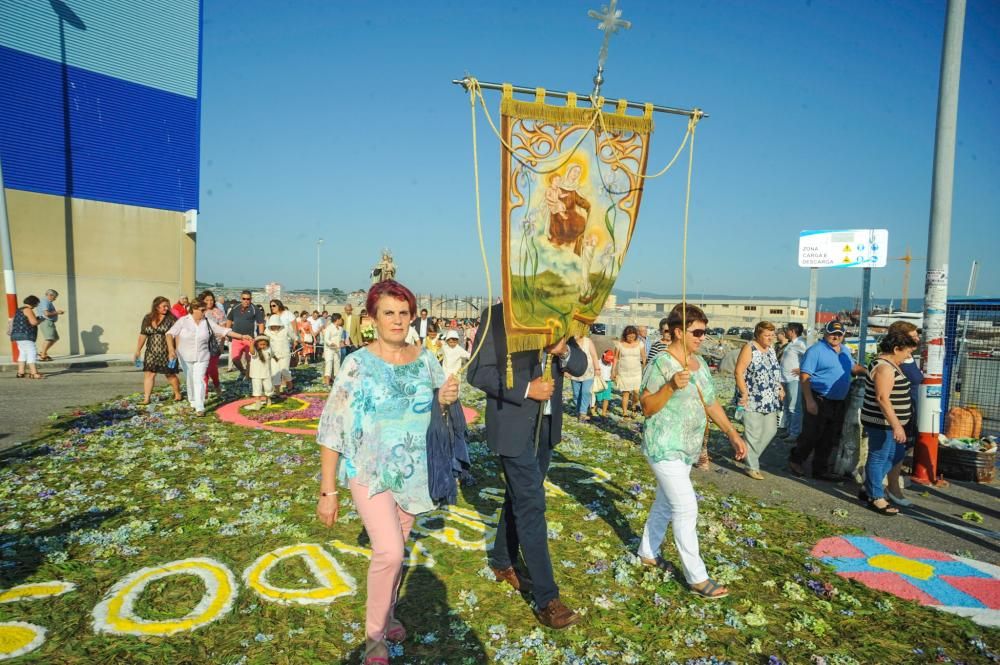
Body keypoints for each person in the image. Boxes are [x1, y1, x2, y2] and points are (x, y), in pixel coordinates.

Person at [316, 280, 459, 665]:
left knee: (397, 551)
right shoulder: (357, 364)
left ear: (412, 316)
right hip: (371, 472)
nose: (397, 320)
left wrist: (444, 400)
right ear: (372, 319)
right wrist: (328, 491)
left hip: (414, 475)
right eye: (388, 313)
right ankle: (374, 639)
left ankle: (389, 613)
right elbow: (333, 427)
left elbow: (436, 412)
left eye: (403, 313)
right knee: (391, 551)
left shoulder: (426, 358)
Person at [467, 302, 588, 629]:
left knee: (520, 497)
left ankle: (502, 560)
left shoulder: (561, 315)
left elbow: (580, 364)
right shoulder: (496, 316)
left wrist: (562, 350)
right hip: (513, 426)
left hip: (546, 428)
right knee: (532, 503)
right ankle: (548, 599)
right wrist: (526, 389)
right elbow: (477, 371)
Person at [637, 303, 747, 598]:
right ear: (677, 332)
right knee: (686, 507)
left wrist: (733, 434)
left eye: (704, 332)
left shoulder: (699, 365)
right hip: (663, 446)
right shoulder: (662, 363)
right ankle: (697, 577)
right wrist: (671, 386)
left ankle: (647, 551)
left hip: (687, 449)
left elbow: (711, 403)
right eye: (697, 331)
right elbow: (646, 407)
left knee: (665, 503)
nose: (702, 337)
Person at [788, 321, 866, 481]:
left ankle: (820, 469)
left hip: (838, 400)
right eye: (833, 333)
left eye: (839, 334)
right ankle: (796, 460)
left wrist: (870, 371)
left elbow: (853, 368)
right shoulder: (816, 350)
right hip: (818, 396)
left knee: (829, 436)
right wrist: (809, 401)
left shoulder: (844, 350)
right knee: (812, 433)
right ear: (825, 333)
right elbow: (804, 376)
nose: (836, 337)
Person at [859, 327, 920, 515]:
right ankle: (876, 497)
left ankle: (870, 485)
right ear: (896, 349)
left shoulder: (890, 364)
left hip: (889, 422)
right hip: (881, 422)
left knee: (896, 454)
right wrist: (896, 425)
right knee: (879, 456)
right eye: (907, 351)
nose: (908, 356)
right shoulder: (885, 368)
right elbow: (882, 398)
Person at [167, 299, 250, 416]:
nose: (203, 312)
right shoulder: (183, 321)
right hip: (185, 356)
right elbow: (170, 334)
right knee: (190, 378)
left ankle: (200, 407)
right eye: (201, 310)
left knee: (199, 379)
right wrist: (171, 349)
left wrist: (241, 336)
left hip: (203, 355)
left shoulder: (207, 322)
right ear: (193, 309)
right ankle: (192, 400)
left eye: (204, 310)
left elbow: (223, 330)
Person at [734, 321, 784, 480]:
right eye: (766, 335)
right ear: (758, 335)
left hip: (769, 399)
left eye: (772, 335)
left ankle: (746, 451)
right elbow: (738, 372)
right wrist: (744, 392)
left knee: (771, 431)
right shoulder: (750, 348)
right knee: (753, 434)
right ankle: (751, 466)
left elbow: (774, 372)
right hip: (752, 398)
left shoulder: (771, 350)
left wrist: (780, 387)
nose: (770, 338)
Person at [134, 297, 182, 403]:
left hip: (167, 352)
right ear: (156, 306)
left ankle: (178, 393)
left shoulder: (172, 319)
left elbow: (177, 335)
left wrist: (175, 350)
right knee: (149, 374)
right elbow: (143, 334)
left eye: (167, 306)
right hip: (151, 351)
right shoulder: (148, 318)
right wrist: (138, 350)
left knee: (170, 375)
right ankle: (146, 398)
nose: (167, 308)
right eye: (164, 306)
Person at [778, 323, 807, 443]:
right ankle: (789, 430)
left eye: (787, 330)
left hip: (794, 379)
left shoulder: (801, 343)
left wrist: (802, 370)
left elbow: (809, 356)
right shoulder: (792, 343)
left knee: (794, 407)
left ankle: (795, 433)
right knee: (787, 406)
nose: (785, 332)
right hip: (785, 379)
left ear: (793, 331)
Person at [227, 291, 264, 378]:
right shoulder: (235, 307)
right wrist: (227, 332)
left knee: (249, 360)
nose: (246, 301)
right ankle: (243, 371)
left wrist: (261, 336)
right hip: (236, 338)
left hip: (249, 339)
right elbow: (229, 319)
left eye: (248, 299)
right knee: (235, 359)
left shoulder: (255, 309)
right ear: (241, 299)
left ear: (251, 299)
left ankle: (248, 377)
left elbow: (261, 323)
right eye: (244, 299)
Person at [199, 290, 229, 398]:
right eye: (207, 300)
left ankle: (214, 386)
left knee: (210, 367)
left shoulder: (217, 312)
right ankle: (205, 391)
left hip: (215, 344)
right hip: (202, 344)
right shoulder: (199, 311)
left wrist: (221, 344)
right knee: (205, 369)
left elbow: (224, 328)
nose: (209, 302)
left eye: (211, 300)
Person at [613, 325, 646, 418]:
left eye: (633, 336)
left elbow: (644, 357)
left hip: (636, 372)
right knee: (625, 393)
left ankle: (634, 406)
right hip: (624, 372)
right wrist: (613, 370)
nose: (631, 338)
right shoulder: (619, 344)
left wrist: (645, 367)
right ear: (625, 335)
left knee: (637, 392)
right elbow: (615, 358)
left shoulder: (640, 344)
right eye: (629, 336)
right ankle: (624, 412)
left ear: (636, 335)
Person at [10, 295, 44, 379]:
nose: (37, 306)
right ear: (33, 303)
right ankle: (34, 373)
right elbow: (33, 322)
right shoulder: (27, 310)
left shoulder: (19, 310)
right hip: (25, 335)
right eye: (37, 304)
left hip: (16, 335)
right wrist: (41, 319)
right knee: (31, 352)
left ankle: (20, 373)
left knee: (23, 353)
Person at [570, 331, 600, 422]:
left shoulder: (588, 342)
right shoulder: (570, 342)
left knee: (586, 392)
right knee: (576, 394)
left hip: (588, 372)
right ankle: (578, 410)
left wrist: (597, 369)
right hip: (574, 373)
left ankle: (583, 413)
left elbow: (594, 356)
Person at [245, 335, 277, 411]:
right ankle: (258, 404)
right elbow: (252, 352)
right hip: (256, 374)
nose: (262, 346)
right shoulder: (255, 350)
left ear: (267, 344)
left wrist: (277, 359)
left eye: (264, 344)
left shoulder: (268, 349)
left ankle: (268, 399)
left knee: (268, 387)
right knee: (257, 388)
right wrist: (251, 344)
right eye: (261, 344)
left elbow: (273, 355)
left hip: (266, 373)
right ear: (257, 344)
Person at [265, 314, 294, 394]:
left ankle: (290, 385)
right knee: (275, 373)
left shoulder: (286, 329)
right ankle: (277, 392)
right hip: (273, 356)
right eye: (272, 325)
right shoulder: (267, 331)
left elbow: (294, 336)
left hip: (285, 354)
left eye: (276, 325)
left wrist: (297, 340)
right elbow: (265, 344)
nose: (274, 326)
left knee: (284, 371)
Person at [35, 289, 64, 361]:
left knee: (55, 338)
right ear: (50, 295)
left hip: (48, 322)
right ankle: (43, 355)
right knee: (49, 338)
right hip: (46, 321)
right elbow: (46, 313)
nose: (55, 299)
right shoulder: (45, 301)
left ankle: (43, 352)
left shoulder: (45, 301)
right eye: (54, 297)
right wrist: (57, 312)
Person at [321, 313, 344, 386]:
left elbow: (341, 338)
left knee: (337, 364)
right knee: (329, 364)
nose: (341, 320)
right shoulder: (329, 328)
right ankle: (327, 382)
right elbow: (326, 339)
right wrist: (332, 344)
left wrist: (342, 343)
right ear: (337, 320)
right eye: (340, 319)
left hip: (337, 350)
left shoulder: (341, 328)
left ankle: (335, 381)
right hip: (329, 350)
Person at [594, 349, 615, 418]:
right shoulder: (597, 362)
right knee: (597, 398)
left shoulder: (611, 363)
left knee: (606, 398)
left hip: (608, 382)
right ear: (603, 356)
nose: (607, 362)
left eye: (609, 360)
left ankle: (604, 412)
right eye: (606, 360)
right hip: (599, 382)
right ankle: (593, 410)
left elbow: (613, 372)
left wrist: (614, 377)